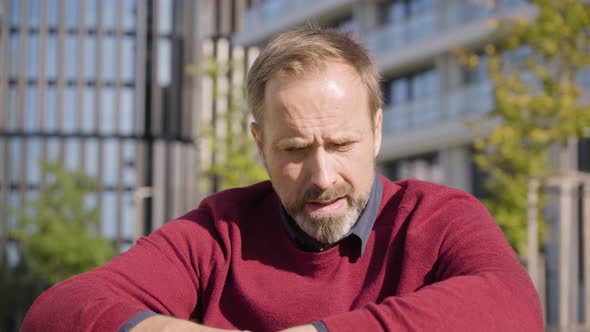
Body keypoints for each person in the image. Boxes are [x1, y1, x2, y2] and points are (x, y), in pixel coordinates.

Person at [22, 27, 543, 332]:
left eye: (341, 145)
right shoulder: (217, 233)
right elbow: (55, 311)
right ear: (258, 144)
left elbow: (515, 308)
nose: (321, 177)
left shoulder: (439, 218)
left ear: (377, 131)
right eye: (293, 150)